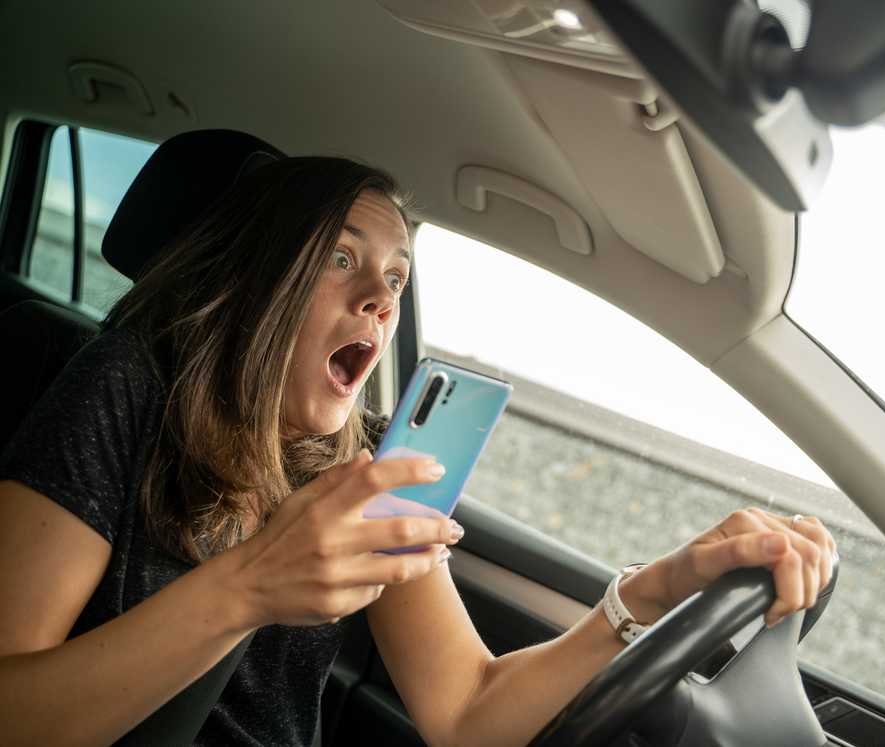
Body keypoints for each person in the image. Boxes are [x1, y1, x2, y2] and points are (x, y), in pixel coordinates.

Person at [0, 155, 837, 747]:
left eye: (396, 278)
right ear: (259, 282)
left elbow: (467, 710)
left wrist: (655, 590)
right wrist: (249, 587)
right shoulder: (124, 388)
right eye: (340, 258)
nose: (379, 299)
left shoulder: (360, 466)